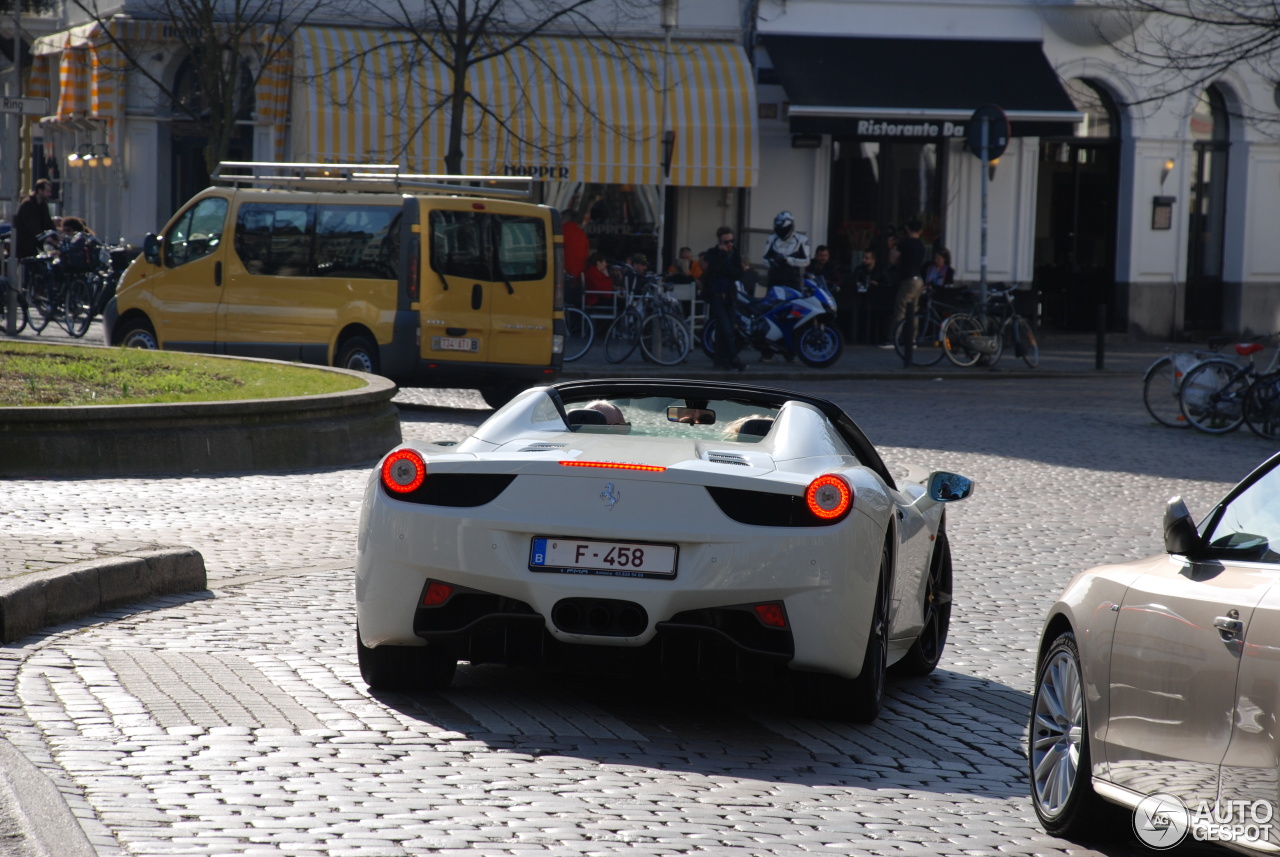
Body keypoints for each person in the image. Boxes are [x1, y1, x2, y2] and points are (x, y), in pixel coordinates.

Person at [701, 225, 745, 371]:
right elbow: (712, 268)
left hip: (730, 296)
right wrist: (723, 255)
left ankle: (722, 360)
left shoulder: (735, 253)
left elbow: (738, 273)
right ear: (720, 242)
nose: (729, 245)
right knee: (725, 328)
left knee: (726, 330)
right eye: (726, 242)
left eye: (731, 241)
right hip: (717, 296)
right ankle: (734, 358)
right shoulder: (713, 253)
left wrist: (725, 270)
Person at [890, 219, 928, 347]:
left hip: (908, 280)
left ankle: (894, 338)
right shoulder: (922, 245)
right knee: (914, 310)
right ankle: (912, 339)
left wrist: (892, 248)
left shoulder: (905, 243)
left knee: (901, 309)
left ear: (907, 229)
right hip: (919, 279)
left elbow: (893, 260)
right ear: (920, 231)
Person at [762, 210, 810, 288]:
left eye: (784, 229)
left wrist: (788, 260)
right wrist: (772, 261)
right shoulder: (771, 238)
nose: (782, 232)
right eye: (779, 229)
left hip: (793, 280)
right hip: (775, 280)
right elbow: (764, 259)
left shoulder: (802, 239)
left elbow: (806, 261)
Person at [13, 179, 55, 261]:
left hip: (35, 244)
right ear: (40, 190)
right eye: (47, 191)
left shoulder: (43, 205)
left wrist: (55, 235)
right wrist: (44, 238)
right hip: (25, 245)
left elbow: (48, 222)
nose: (49, 194)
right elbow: (32, 226)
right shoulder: (28, 204)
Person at [849, 249, 884, 344]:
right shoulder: (860, 269)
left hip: (877, 300)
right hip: (862, 298)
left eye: (867, 258)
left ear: (873, 260)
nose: (864, 260)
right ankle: (860, 337)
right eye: (863, 258)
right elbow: (854, 280)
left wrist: (877, 284)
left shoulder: (880, 270)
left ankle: (874, 338)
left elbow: (886, 283)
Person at [561, 209, 589, 282]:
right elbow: (586, 255)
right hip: (579, 275)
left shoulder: (562, 231)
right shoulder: (581, 234)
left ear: (565, 219)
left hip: (564, 274)